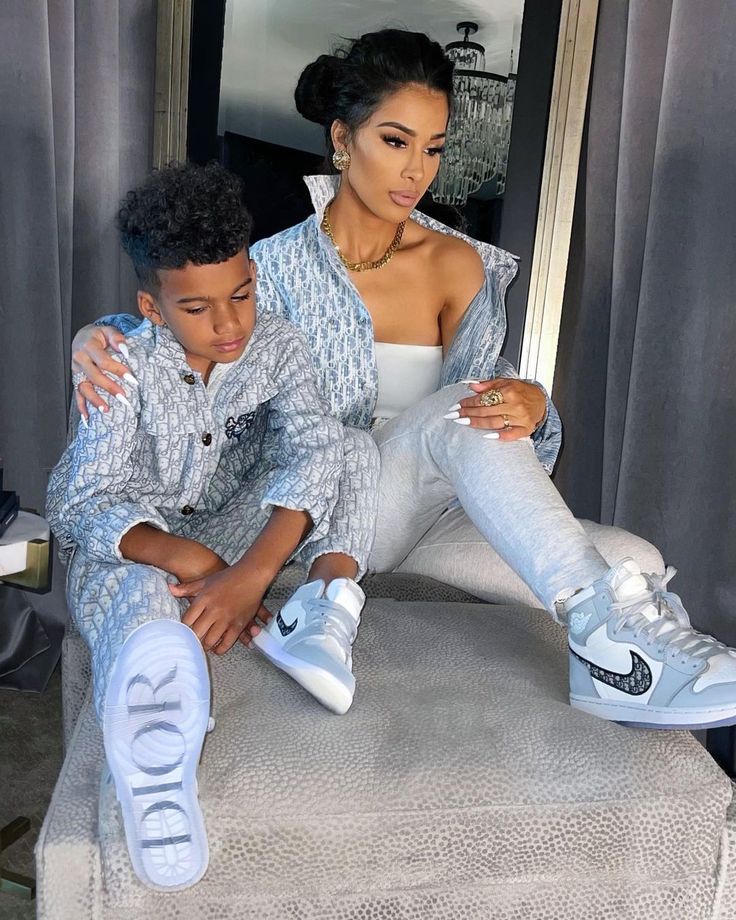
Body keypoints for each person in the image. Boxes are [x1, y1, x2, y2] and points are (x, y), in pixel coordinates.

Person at [70, 29, 736, 731]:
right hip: (319, 521)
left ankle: (621, 663)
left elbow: (487, 423)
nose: (417, 170)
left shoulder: (460, 266)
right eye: (395, 141)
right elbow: (189, 326)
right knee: (458, 411)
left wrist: (533, 407)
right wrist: (95, 334)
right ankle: (614, 651)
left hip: (431, 514)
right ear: (342, 138)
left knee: (639, 558)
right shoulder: (270, 269)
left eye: (434, 147)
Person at [46, 162, 378, 891]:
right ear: (153, 307)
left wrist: (252, 574)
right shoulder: (120, 366)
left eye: (242, 294)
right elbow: (78, 502)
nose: (230, 324)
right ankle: (156, 743)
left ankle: (321, 614)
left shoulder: (281, 347)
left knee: (349, 445)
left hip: (232, 530)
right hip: (139, 543)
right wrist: (189, 562)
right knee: (131, 596)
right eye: (198, 308)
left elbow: (314, 449)